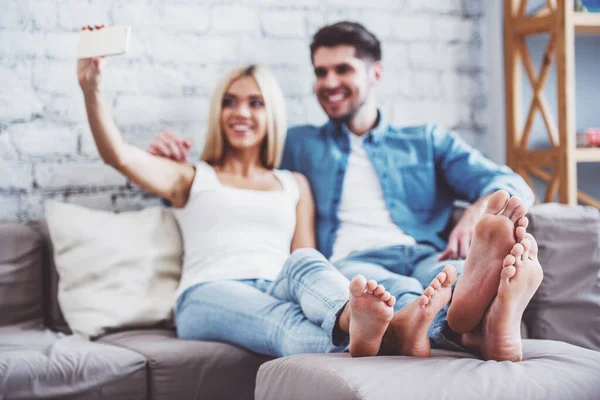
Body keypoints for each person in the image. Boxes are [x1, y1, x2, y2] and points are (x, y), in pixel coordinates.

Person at [149, 21, 543, 362]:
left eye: (342, 69)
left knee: (448, 277)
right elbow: (236, 174)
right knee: (405, 291)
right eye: (320, 73)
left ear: (375, 73)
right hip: (355, 262)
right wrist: (176, 167)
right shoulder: (297, 143)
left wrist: (474, 215)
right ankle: (482, 325)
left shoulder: (425, 140)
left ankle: (485, 318)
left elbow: (513, 185)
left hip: (424, 252)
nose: (329, 83)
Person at [75, 25, 463, 359]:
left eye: (254, 103)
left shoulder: (294, 183)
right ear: (218, 112)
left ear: (271, 114)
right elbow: (119, 156)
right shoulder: (191, 176)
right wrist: (92, 88)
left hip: (276, 283)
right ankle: (378, 333)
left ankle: (361, 324)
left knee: (305, 262)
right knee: (282, 321)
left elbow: (310, 258)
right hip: (211, 291)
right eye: (230, 102)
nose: (241, 112)